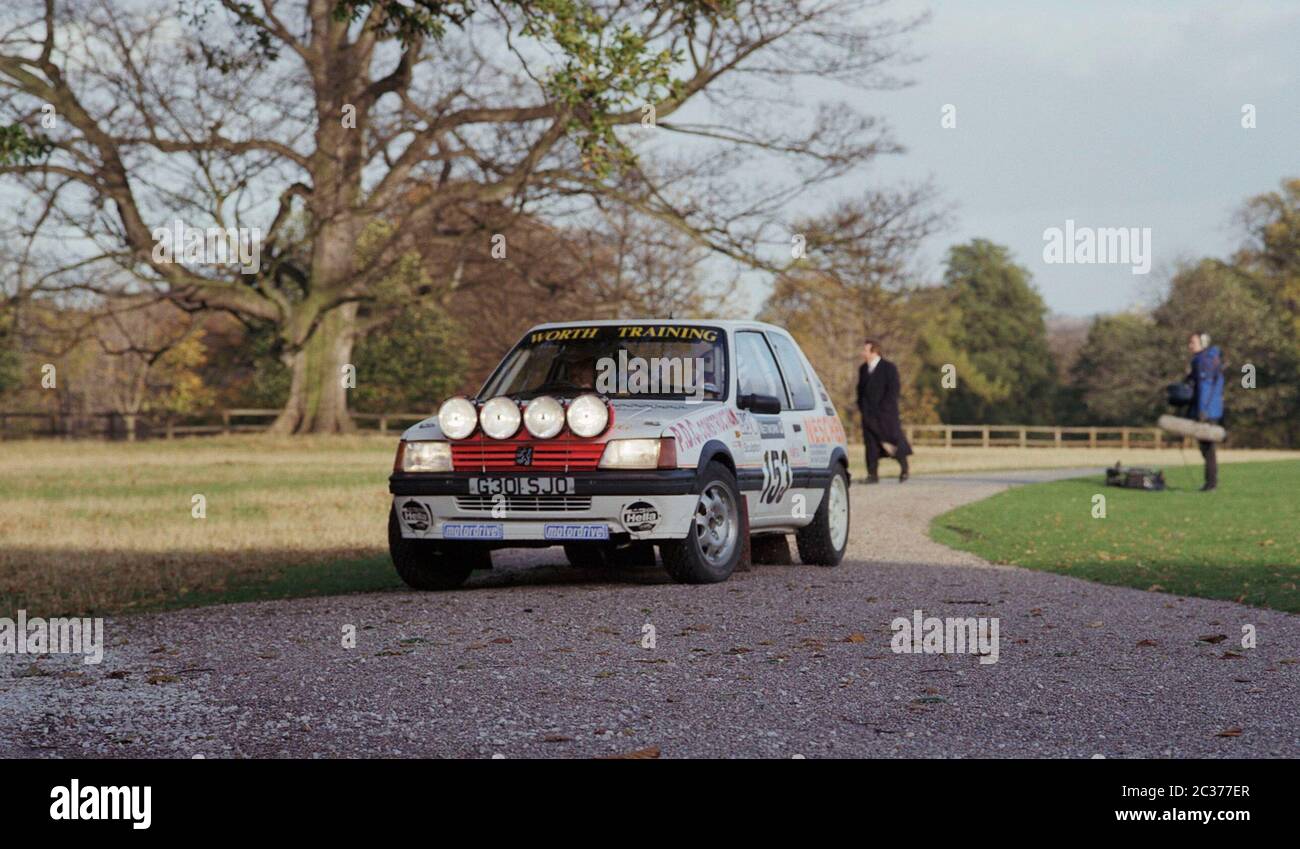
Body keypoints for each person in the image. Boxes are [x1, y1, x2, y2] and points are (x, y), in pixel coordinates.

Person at [856, 338, 912, 483]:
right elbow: (860, 391)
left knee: (891, 442)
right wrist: (862, 408)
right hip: (868, 415)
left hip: (886, 415)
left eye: (865, 350)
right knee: (870, 445)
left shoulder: (889, 368)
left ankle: (904, 468)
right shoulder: (863, 369)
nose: (863, 353)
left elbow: (893, 390)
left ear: (874, 352)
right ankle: (872, 474)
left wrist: (884, 409)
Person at [1185, 332, 1224, 492]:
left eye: (1193, 342)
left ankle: (1211, 483)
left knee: (1207, 448)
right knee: (1207, 448)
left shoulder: (1203, 361)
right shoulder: (1207, 359)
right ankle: (1211, 482)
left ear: (1203, 343)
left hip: (1207, 412)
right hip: (1212, 410)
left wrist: (1202, 411)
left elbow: (1205, 387)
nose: (1190, 345)